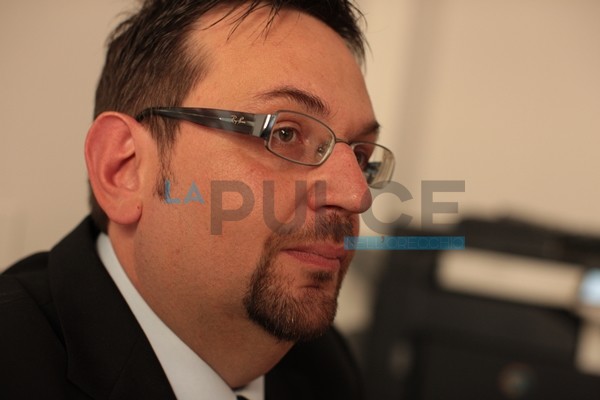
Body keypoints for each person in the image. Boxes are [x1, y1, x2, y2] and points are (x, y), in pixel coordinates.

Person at [0, 0, 395, 399]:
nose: (356, 194)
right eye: (285, 134)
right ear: (123, 169)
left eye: (360, 156)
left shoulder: (326, 366)